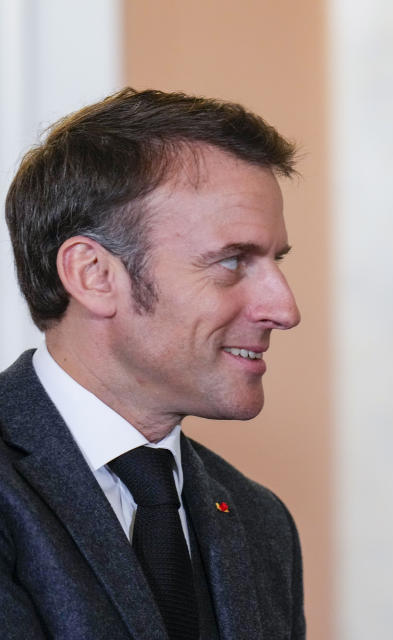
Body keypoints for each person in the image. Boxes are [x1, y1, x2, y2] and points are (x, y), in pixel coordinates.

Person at [0, 88, 305, 639]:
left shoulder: (261, 521)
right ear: (93, 274)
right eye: (233, 261)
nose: (285, 310)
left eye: (275, 261)